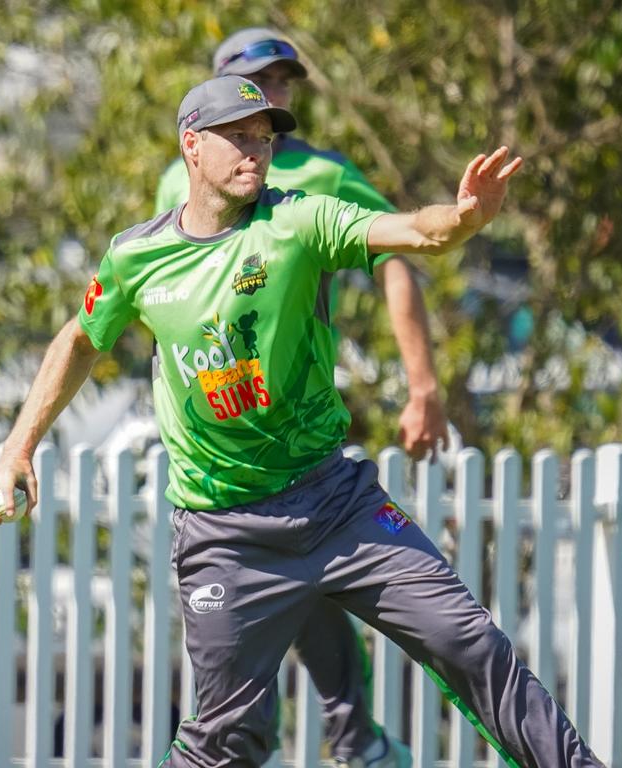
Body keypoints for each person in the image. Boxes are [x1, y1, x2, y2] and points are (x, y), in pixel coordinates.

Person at [0, 75, 603, 768]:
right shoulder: (136, 257)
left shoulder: (300, 222)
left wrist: (464, 219)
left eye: (266, 138)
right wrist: (17, 448)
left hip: (336, 505)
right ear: (191, 145)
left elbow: (414, 233)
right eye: (239, 137)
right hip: (224, 534)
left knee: (472, 645)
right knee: (225, 743)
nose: (258, 151)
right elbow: (80, 339)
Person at [153, 28, 484, 768]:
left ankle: (353, 734)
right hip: (216, 450)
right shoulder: (180, 185)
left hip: (301, 415)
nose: (270, 96)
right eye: (255, 82)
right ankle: (335, 737)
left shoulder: (323, 179)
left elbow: (400, 254)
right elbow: (164, 287)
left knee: (319, 567)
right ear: (201, 122)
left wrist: (422, 385)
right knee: (268, 608)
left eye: (281, 84)